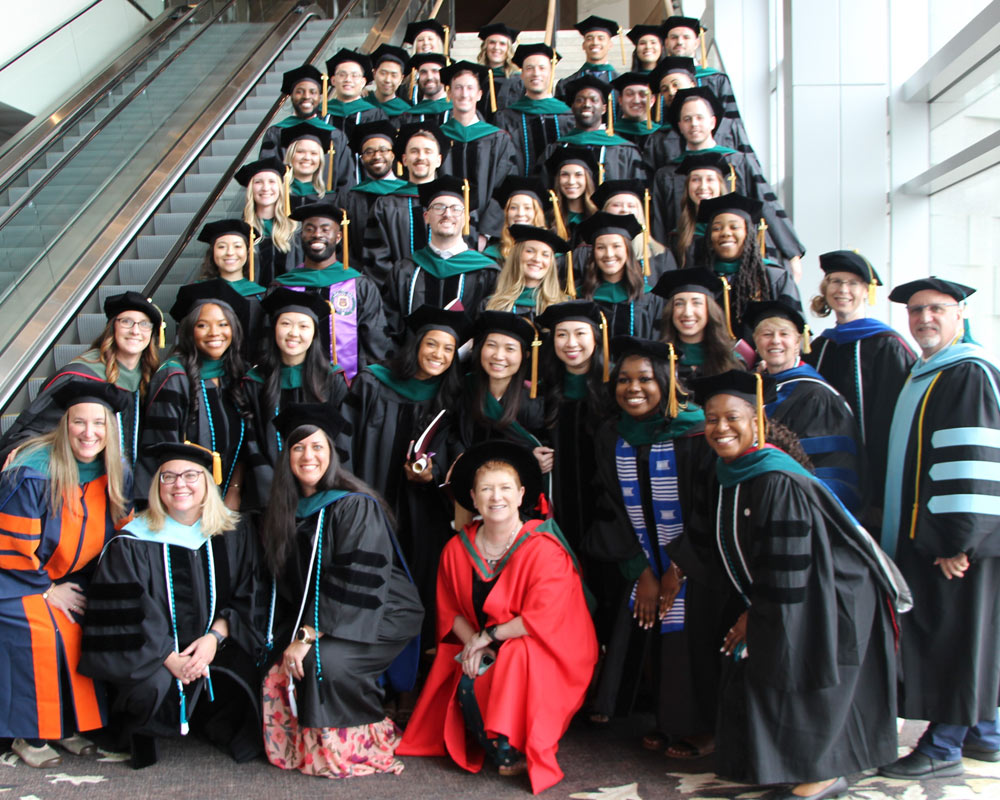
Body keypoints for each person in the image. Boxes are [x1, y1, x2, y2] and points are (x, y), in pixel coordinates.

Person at [691, 369, 906, 800]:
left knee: (806, 670)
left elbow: (788, 563)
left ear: (758, 422)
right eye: (712, 420)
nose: (720, 428)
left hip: (830, 589)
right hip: (800, 586)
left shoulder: (774, 478)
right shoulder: (735, 471)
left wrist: (756, 614)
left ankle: (823, 776)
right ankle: (798, 767)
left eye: (732, 417)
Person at [398, 440, 597, 793]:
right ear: (473, 498)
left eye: (505, 488)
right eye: (486, 490)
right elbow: (450, 612)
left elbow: (543, 618)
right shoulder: (458, 549)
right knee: (470, 668)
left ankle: (513, 743)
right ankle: (492, 741)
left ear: (521, 495)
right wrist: (473, 645)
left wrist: (486, 638)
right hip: (481, 639)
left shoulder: (543, 549)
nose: (496, 497)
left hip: (546, 646)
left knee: (516, 656)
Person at [259, 404, 423, 779]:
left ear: (331, 453)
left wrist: (306, 635)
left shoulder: (353, 505)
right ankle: (307, 747)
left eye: (317, 446)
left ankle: (360, 749)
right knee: (276, 662)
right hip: (327, 613)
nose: (308, 456)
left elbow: (356, 579)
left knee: (323, 664)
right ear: (287, 457)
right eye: (298, 448)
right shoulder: (286, 510)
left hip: (383, 612)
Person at [878, 278, 1000, 781]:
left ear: (960, 313)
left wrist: (957, 541)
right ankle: (985, 733)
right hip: (934, 537)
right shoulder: (925, 372)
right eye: (915, 311)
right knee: (969, 634)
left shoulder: (967, 372)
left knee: (954, 636)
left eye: (935, 309)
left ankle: (944, 743)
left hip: (953, 542)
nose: (923, 318)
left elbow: (969, 459)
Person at [79, 441, 260, 767]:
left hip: (216, 645)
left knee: (243, 676)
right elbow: (125, 617)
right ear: (156, 486)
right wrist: (169, 658)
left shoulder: (232, 534)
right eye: (168, 477)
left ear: (207, 483)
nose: (180, 484)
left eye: (191, 475)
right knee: (149, 685)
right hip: (152, 654)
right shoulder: (131, 542)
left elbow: (249, 595)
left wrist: (213, 638)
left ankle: (206, 719)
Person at [584, 336, 716, 757]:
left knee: (689, 632)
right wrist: (642, 571)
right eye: (623, 380)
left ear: (666, 381)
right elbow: (606, 504)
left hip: (693, 562)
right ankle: (665, 717)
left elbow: (707, 508)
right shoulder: (612, 435)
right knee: (644, 623)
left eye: (645, 379)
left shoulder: (696, 431)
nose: (633, 388)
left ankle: (701, 725)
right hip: (641, 559)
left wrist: (677, 570)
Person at [0, 380, 131, 767]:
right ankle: (30, 733)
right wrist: (45, 587)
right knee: (40, 629)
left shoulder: (114, 471)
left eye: (98, 424)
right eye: (79, 423)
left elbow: (119, 531)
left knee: (84, 622)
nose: (89, 433)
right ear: (64, 424)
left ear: (110, 430)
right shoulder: (32, 471)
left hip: (69, 577)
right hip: (16, 578)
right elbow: (10, 544)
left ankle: (68, 725)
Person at [345, 305, 470, 632]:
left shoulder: (451, 398)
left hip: (422, 515)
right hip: (369, 505)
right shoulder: (372, 383)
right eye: (432, 344)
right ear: (416, 344)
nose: (439, 354)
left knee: (417, 589)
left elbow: (457, 453)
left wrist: (435, 472)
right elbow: (345, 443)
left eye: (448, 349)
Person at [804, 250, 915, 530]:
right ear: (825, 289)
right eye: (836, 281)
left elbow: (893, 422)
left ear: (867, 291)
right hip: (826, 474)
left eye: (853, 283)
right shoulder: (818, 348)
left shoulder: (887, 346)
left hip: (875, 476)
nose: (843, 290)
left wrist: (880, 492)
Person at [0, 292, 161, 471]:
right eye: (126, 321)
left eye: (144, 324)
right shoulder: (80, 377)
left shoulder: (149, 377)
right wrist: (25, 449)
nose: (135, 331)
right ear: (112, 327)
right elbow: (40, 427)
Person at [650, 88, 804, 273]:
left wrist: (792, 253)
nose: (694, 124)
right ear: (680, 126)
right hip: (686, 256)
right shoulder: (667, 173)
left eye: (700, 117)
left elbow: (765, 203)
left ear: (712, 122)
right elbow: (659, 223)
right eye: (687, 119)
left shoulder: (738, 161)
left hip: (735, 254)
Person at [136, 281, 260, 507]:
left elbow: (248, 444)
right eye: (203, 325)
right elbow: (160, 450)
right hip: (183, 502)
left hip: (231, 501)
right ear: (189, 330)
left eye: (223, 324)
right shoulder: (174, 378)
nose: (215, 333)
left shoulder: (237, 374)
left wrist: (233, 490)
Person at [744, 300, 865, 514]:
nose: (775, 341)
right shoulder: (754, 387)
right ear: (755, 341)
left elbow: (832, 470)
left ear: (799, 340)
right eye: (766, 334)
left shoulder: (817, 395)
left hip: (800, 509)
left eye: (784, 334)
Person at [274, 202, 391, 381]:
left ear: (338, 237)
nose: (317, 234)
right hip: (291, 385)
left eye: (325, 229)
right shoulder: (283, 287)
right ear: (301, 235)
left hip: (347, 389)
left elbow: (375, 344)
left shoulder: (359, 286)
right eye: (309, 229)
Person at [244, 288, 349, 475]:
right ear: (274, 328)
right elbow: (250, 441)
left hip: (321, 480)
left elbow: (342, 439)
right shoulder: (255, 382)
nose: (293, 333)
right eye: (285, 324)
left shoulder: (332, 380)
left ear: (314, 334)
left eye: (303, 326)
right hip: (267, 484)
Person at [536, 300, 611, 556]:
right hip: (560, 510)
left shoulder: (614, 390)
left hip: (607, 510)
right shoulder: (542, 391)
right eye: (561, 334)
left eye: (580, 333)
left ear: (596, 338)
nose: (570, 343)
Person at [384, 177, 499, 342]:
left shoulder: (487, 272)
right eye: (439, 207)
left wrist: (460, 357)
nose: (447, 214)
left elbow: (488, 328)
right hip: (410, 364)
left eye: (456, 208)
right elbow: (390, 322)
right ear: (426, 217)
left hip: (467, 365)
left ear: (466, 218)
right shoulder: (405, 270)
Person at [455, 312, 549, 480]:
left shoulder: (535, 401)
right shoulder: (465, 388)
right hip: (468, 481)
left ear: (524, 355)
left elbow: (543, 448)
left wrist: (534, 458)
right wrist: (459, 456)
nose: (498, 356)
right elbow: (452, 436)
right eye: (491, 345)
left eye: (510, 348)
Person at [439, 61, 519, 242]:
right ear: (449, 93)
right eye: (458, 88)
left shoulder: (499, 139)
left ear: (479, 94)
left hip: (486, 236)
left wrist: (486, 232)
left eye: (470, 88)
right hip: (442, 230)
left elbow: (505, 186)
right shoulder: (438, 138)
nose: (464, 93)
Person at [362, 123, 449, 289]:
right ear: (404, 159)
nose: (420, 157)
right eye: (414, 151)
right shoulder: (385, 205)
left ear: (439, 160)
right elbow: (376, 259)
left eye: (427, 151)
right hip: (398, 296)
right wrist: (404, 287)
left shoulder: (452, 206)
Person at [696, 194, 800, 333]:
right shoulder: (700, 278)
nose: (725, 233)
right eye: (716, 228)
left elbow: (793, 330)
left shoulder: (775, 277)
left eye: (734, 227)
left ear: (748, 234)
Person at [542, 76, 647, 183]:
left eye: (594, 100)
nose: (587, 104)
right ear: (572, 108)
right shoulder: (556, 148)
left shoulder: (625, 151)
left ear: (604, 108)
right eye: (580, 100)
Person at [578, 212, 662, 338]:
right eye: (601, 247)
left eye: (616, 246)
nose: (609, 254)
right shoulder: (580, 297)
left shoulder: (649, 298)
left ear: (628, 250)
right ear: (593, 253)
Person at [494, 43, 574, 176]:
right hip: (519, 192)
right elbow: (504, 161)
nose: (536, 73)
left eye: (542, 68)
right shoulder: (506, 117)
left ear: (551, 72)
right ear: (522, 74)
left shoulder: (568, 116)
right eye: (529, 68)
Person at [335, 121, 407, 268]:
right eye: (369, 151)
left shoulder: (408, 194)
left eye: (383, 150)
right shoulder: (351, 197)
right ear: (362, 158)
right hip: (362, 275)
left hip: (403, 276)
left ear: (393, 155)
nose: (376, 156)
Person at [259, 64, 351, 176]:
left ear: (320, 97)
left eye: (313, 92)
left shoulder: (335, 135)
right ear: (291, 96)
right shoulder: (276, 132)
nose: (306, 96)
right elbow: (268, 173)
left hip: (326, 193)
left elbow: (345, 179)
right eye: (299, 91)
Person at [651, 267, 740, 380]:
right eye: (679, 304)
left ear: (710, 310)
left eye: (697, 303)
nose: (687, 313)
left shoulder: (730, 358)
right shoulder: (657, 359)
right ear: (670, 311)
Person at [193, 219, 265, 356]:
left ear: (247, 252)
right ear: (212, 252)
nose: (230, 252)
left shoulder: (261, 295)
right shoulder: (198, 293)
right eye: (221, 247)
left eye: (237, 246)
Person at [235, 156, 302, 286]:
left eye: (272, 181)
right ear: (250, 189)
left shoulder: (296, 229)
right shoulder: (240, 232)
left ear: (280, 188)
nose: (265, 188)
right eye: (258, 182)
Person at [485, 224, 569, 320]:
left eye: (545, 255)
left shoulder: (563, 307)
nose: (537, 259)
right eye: (530, 251)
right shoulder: (492, 305)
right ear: (516, 256)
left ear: (551, 263)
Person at [661, 16, 740, 118]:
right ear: (666, 43)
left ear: (696, 43)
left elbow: (729, 121)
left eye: (686, 37)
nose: (680, 42)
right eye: (674, 37)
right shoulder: (659, 81)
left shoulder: (716, 79)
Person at [669, 151, 727, 267]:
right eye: (695, 180)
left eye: (710, 179)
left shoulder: (737, 230)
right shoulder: (678, 236)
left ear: (720, 186)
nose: (703, 186)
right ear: (687, 187)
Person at [322, 49, 387, 141]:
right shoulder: (321, 112)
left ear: (363, 82)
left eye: (354, 75)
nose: (348, 79)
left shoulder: (375, 114)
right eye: (342, 75)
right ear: (333, 80)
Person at [485, 176, 550, 263]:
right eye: (513, 208)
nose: (520, 213)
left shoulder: (551, 255)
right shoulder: (492, 255)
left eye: (527, 208)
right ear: (506, 213)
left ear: (537, 214)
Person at [555, 15, 622, 98]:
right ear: (583, 45)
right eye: (589, 38)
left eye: (601, 38)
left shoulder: (622, 84)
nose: (595, 42)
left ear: (610, 45)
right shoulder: (566, 84)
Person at [545, 146, 599, 238]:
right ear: (558, 179)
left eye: (578, 175)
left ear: (587, 180)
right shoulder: (548, 218)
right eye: (565, 175)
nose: (571, 181)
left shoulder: (598, 218)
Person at [280, 122, 334, 209]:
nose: (307, 157)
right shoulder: (277, 195)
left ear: (320, 160)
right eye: (300, 152)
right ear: (290, 155)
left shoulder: (329, 198)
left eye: (313, 153)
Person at [476, 23, 522, 119]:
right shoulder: (476, 77)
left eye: (502, 44)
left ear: (508, 49)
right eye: (492, 42)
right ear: (485, 47)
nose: (496, 47)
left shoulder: (518, 80)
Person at [609, 71, 662, 148]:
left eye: (643, 94)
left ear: (652, 100)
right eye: (629, 94)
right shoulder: (610, 135)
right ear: (620, 100)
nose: (636, 100)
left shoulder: (662, 135)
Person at [398, 54, 452, 126]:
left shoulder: (456, 112)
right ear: (418, 77)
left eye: (435, 71)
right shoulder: (408, 116)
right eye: (423, 72)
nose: (429, 77)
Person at [367, 45, 411, 119]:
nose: (387, 80)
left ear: (401, 79)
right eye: (383, 73)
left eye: (394, 75)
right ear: (374, 74)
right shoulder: (360, 107)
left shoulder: (407, 112)